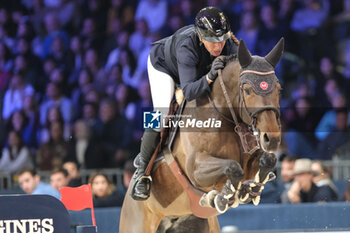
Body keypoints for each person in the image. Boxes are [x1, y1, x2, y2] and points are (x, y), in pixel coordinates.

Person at [132, 6, 239, 201]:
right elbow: (189, 91)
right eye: (213, 41)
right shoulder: (187, 46)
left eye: (222, 39)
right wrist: (209, 77)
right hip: (163, 65)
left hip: (195, 70)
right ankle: (142, 171)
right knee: (161, 113)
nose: (218, 46)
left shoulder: (230, 45)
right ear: (200, 36)